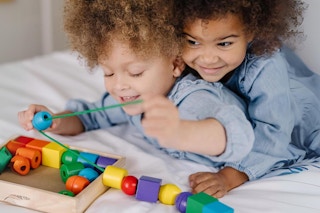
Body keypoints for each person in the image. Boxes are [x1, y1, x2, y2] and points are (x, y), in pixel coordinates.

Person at [18, 0, 254, 172]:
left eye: (135, 72)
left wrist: (180, 132)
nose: (119, 85)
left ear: (175, 63)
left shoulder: (193, 99)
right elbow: (87, 117)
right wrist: (55, 120)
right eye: (108, 72)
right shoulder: (130, 98)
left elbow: (239, 137)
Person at [174, 0, 320, 198]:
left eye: (224, 44)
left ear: (251, 32)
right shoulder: (179, 57)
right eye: (193, 42)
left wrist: (227, 177)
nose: (207, 58)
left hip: (305, 122)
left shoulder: (265, 66)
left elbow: (273, 133)